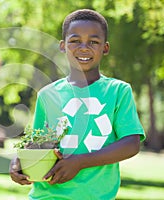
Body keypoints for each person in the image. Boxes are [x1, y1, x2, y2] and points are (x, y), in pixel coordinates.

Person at [10, 9, 145, 200]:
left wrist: (80, 162)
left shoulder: (118, 91)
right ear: (63, 46)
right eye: (75, 41)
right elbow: (38, 145)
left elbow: (131, 144)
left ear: (105, 48)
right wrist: (18, 162)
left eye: (93, 42)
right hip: (47, 195)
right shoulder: (48, 95)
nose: (83, 47)